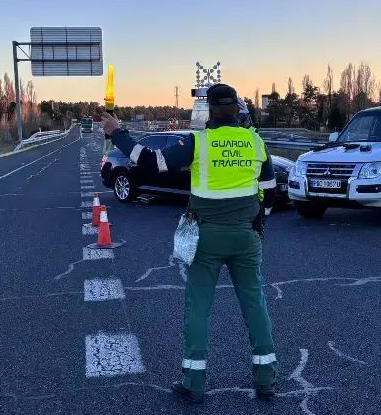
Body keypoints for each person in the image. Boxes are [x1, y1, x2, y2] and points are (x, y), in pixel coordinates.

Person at [100, 84, 278, 403]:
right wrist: (258, 222)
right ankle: (265, 378)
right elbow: (269, 190)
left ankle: (194, 382)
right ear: (238, 111)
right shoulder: (255, 142)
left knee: (199, 308)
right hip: (247, 236)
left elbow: (150, 161)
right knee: (255, 304)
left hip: (206, 237)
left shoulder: (198, 143)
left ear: (209, 111)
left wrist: (117, 133)